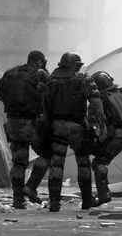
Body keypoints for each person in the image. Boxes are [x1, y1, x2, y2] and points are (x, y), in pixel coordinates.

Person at [43, 52, 106, 212]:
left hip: (57, 126)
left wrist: (47, 125)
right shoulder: (83, 80)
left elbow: (45, 106)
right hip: (78, 126)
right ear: (76, 65)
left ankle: (55, 203)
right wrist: (95, 123)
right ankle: (86, 201)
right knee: (83, 163)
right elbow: (96, 102)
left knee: (56, 165)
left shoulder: (51, 81)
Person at [0, 51, 51, 209]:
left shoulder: (11, 73)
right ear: (39, 61)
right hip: (31, 123)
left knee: (19, 163)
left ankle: (18, 199)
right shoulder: (40, 75)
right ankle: (31, 187)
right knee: (47, 154)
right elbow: (49, 94)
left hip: (13, 123)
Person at [90, 71, 122, 208]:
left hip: (119, 133)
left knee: (100, 162)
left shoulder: (100, 98)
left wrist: (100, 139)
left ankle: (104, 194)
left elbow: (101, 121)